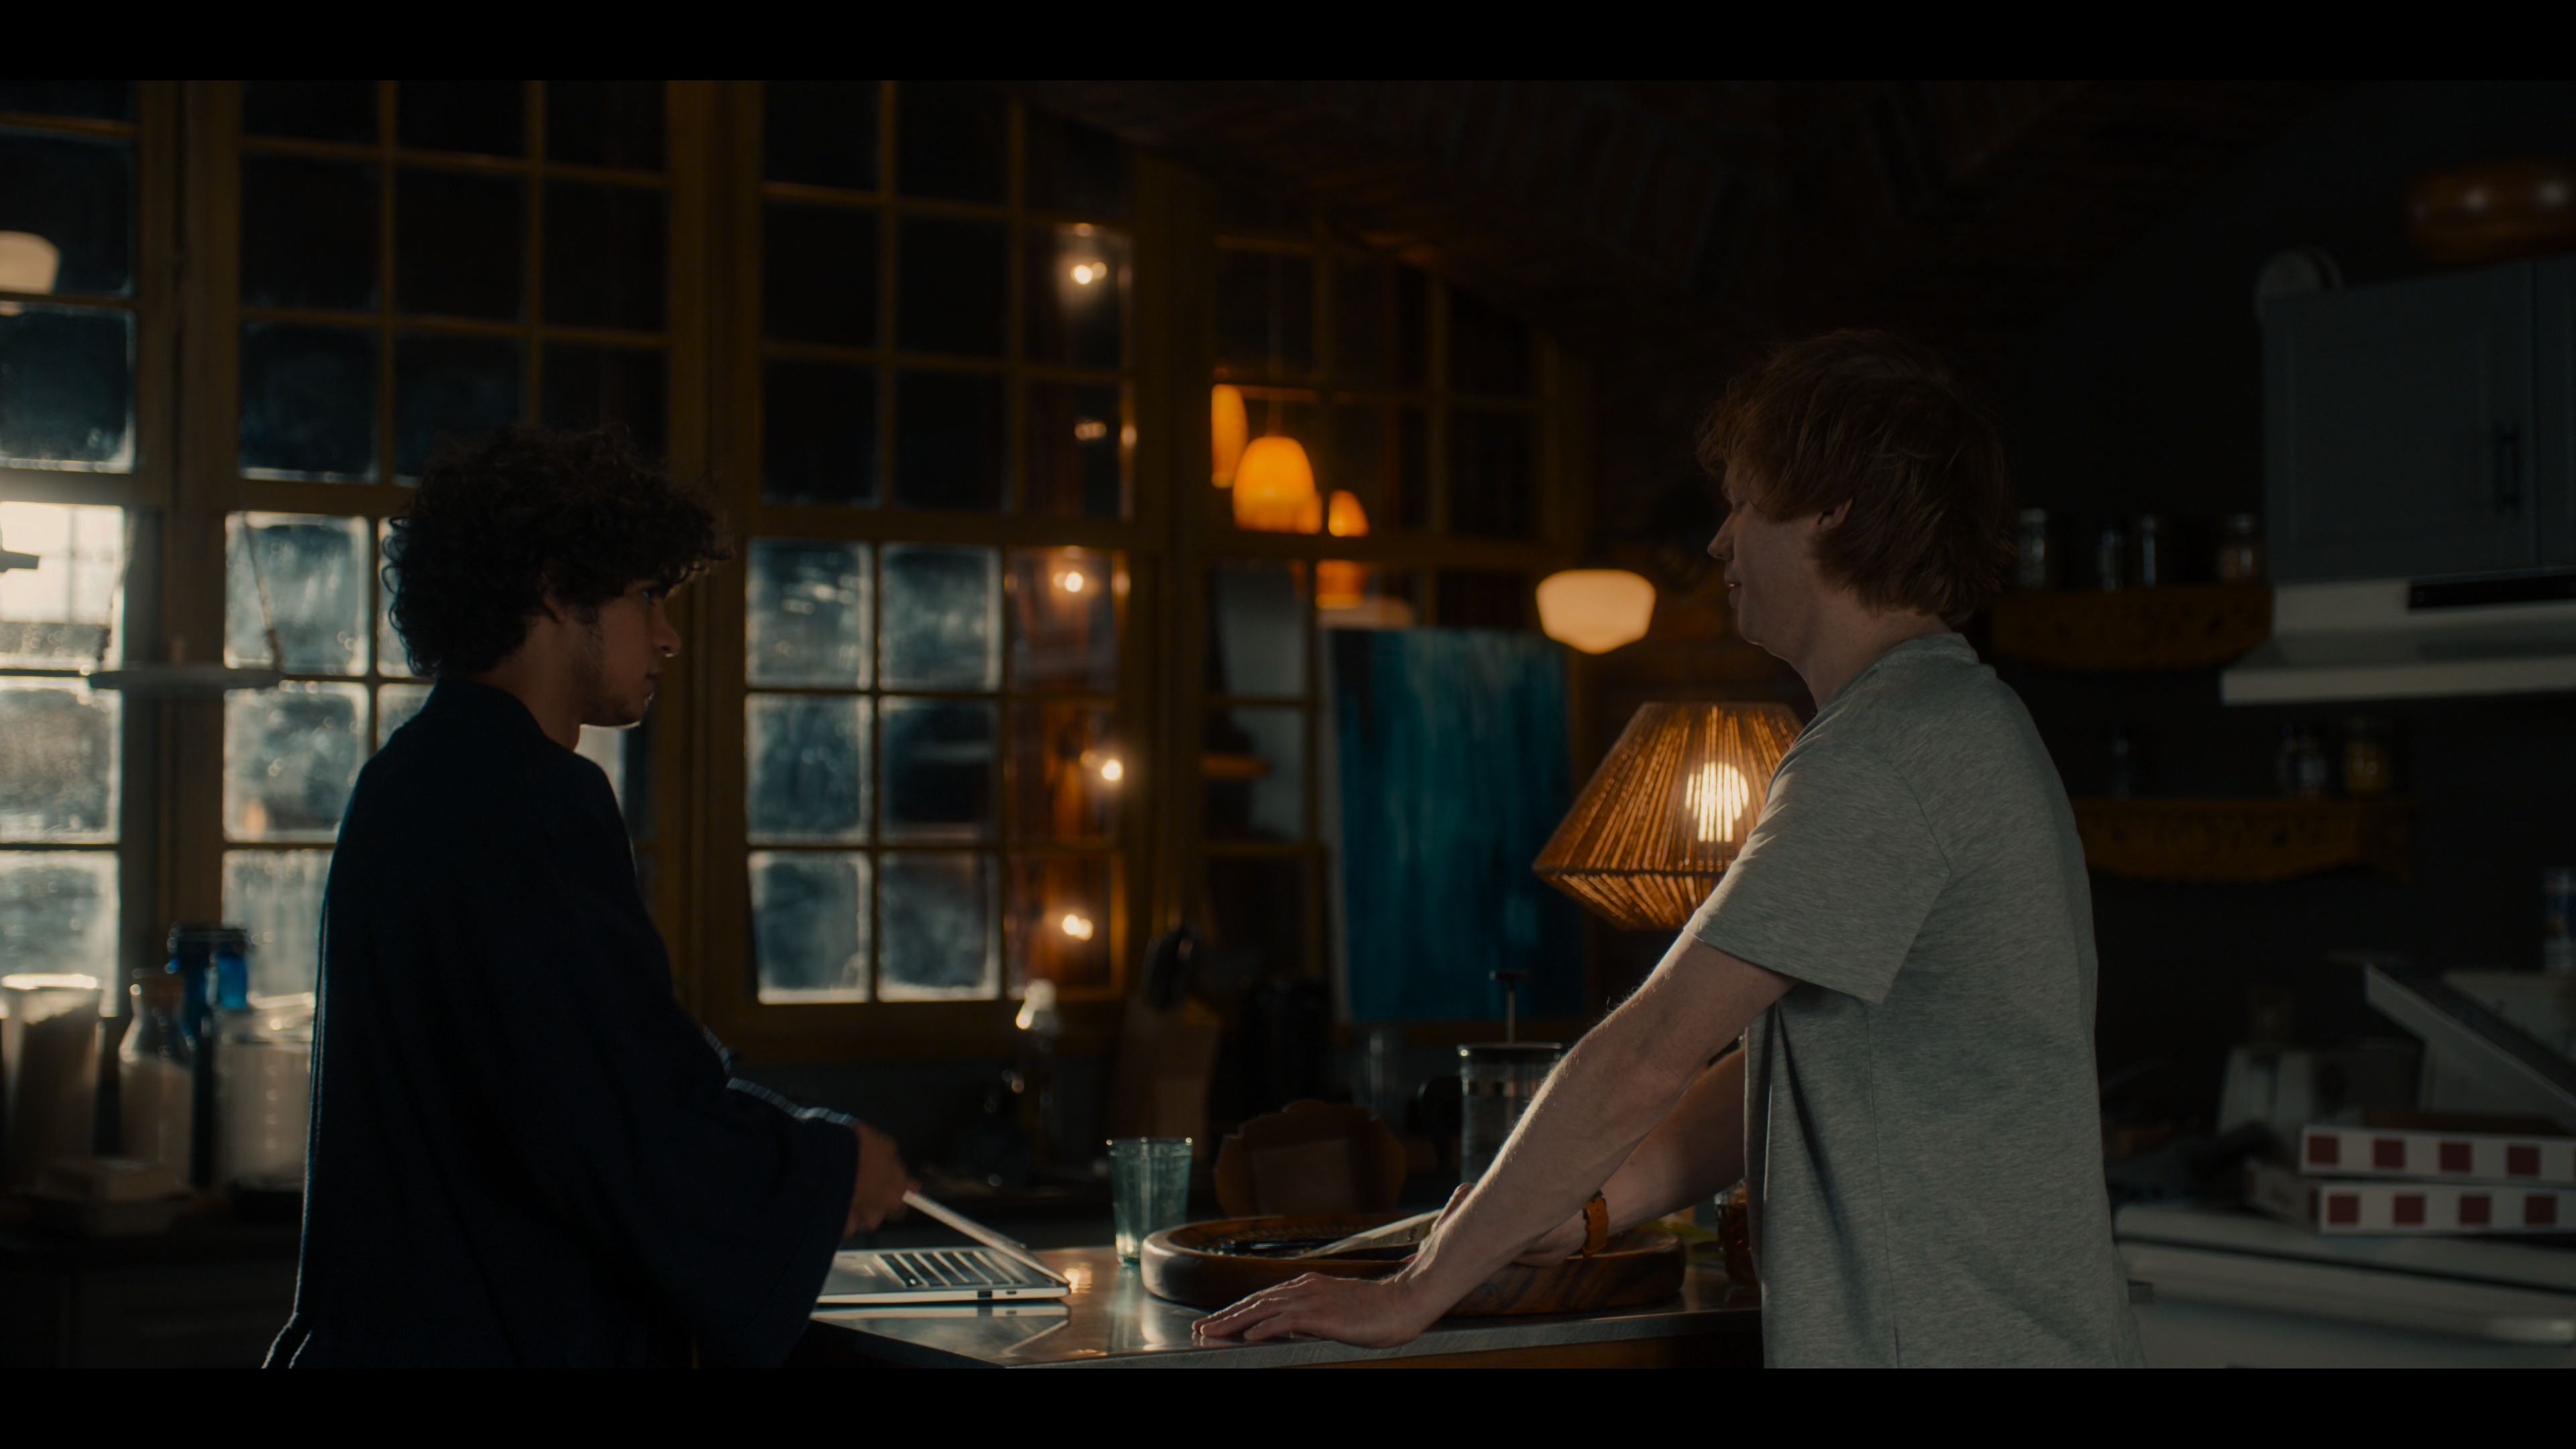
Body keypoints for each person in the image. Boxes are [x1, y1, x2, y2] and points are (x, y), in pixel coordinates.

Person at [1194, 332, 2144, 1368]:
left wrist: (1413, 1291)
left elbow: (1647, 1053)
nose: (1721, 542)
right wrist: (1587, 1209)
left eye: (1746, 504)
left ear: (1832, 510)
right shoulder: (1950, 718)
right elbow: (1784, 1080)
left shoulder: (1885, 753)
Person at [267, 427, 915, 1368]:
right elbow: (613, 1116)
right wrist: (830, 1167)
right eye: (645, 595)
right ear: (553, 588)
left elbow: (569, 1069)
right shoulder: (525, 795)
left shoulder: (411, 774)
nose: (668, 635)